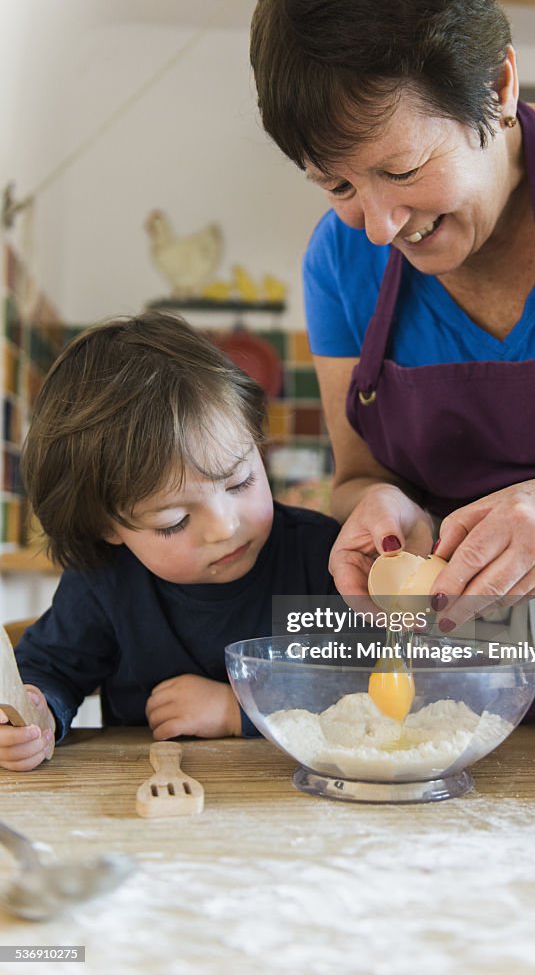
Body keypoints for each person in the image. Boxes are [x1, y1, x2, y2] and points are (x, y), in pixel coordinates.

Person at [250, 0, 535, 721]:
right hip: (455, 707)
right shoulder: (339, 257)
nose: (379, 227)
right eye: (338, 185)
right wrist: (381, 506)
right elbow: (358, 473)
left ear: (499, 87)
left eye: (403, 168)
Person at [0, 312, 339, 771]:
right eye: (175, 521)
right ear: (108, 529)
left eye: (240, 482)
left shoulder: (322, 558)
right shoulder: (106, 580)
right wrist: (35, 713)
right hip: (145, 806)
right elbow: (50, 669)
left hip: (303, 806)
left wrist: (238, 710)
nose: (224, 527)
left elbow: (379, 681)